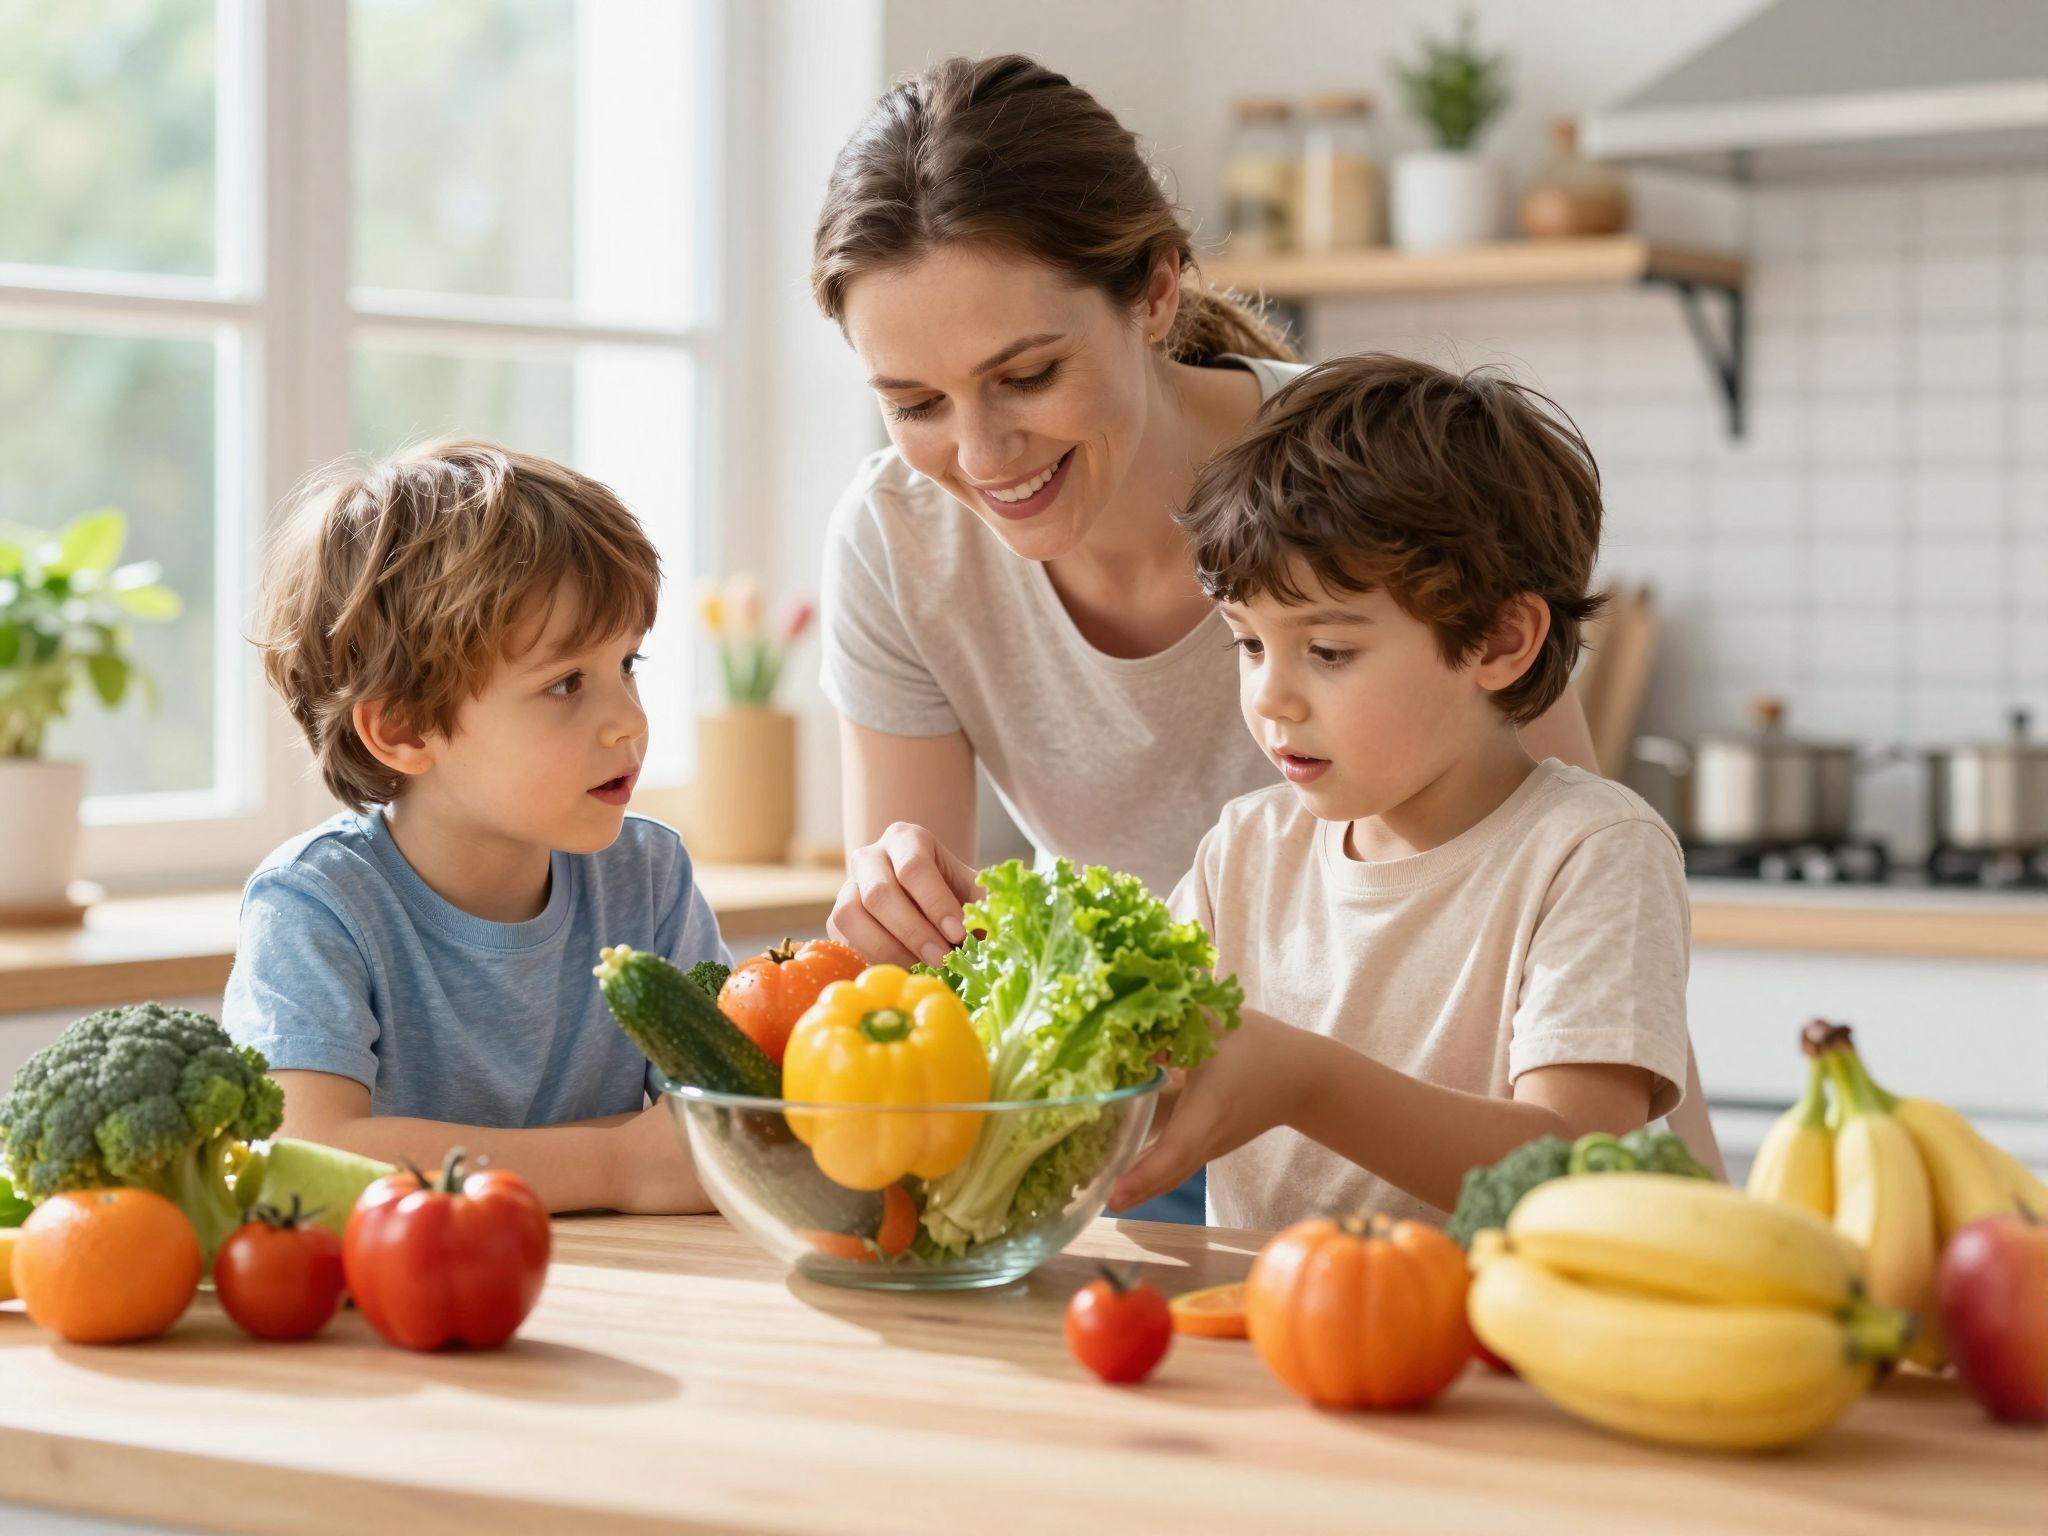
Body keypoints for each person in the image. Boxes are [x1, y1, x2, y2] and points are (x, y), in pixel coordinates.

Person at [808, 56, 1711, 1218]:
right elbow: (939, 991)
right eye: (915, 404)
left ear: (1152, 294)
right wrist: (903, 912)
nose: (980, 457)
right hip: (1205, 1139)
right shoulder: (897, 541)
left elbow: (1549, 889)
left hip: (1479, 1164)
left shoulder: (1366, 474)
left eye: (1025, 375)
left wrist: (1673, 1214)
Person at [1108, 354, 1703, 1228]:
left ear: (1500, 639)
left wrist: (1306, 1082)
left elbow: (1576, 1171)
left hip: (1486, 1356)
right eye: (1248, 644)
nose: (1270, 697)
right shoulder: (1246, 848)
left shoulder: (1591, 852)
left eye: (1330, 652)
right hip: (1259, 1338)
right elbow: (1153, 1085)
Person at [223, 439, 720, 1215]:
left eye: (629, 665)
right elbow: (304, 1159)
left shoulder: (650, 874)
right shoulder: (316, 905)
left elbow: (726, 1126)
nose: (629, 721)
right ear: (405, 730)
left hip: (641, 1287)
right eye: (566, 684)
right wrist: (619, 1162)